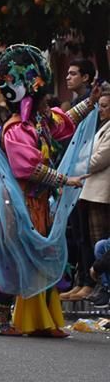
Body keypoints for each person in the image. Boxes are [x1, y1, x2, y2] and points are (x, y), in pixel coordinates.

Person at [0, 44, 98, 337]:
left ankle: (42, 320)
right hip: (11, 206)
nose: (48, 106)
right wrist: (65, 180)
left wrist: (90, 103)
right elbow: (27, 168)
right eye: (43, 100)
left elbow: (64, 120)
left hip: (32, 203)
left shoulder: (38, 122)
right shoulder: (18, 129)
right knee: (13, 257)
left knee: (39, 257)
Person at [78, 88, 110, 304]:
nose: (101, 109)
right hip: (89, 190)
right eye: (100, 105)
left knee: (100, 240)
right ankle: (95, 283)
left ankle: (102, 284)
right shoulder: (101, 127)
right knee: (91, 241)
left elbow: (98, 159)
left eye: (106, 106)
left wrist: (78, 165)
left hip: (101, 192)